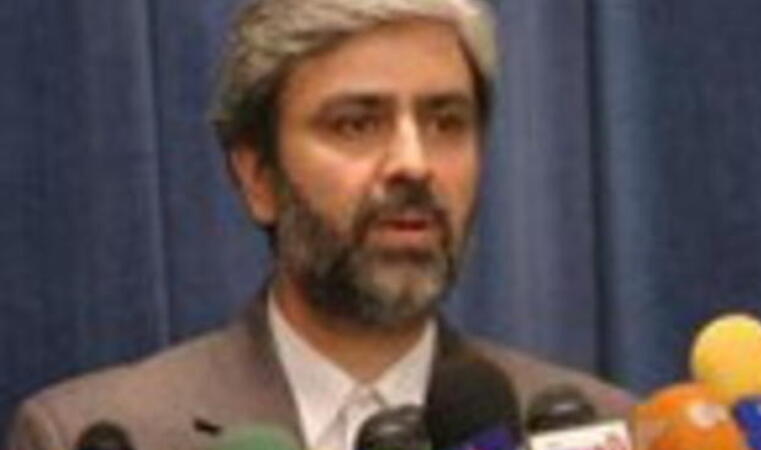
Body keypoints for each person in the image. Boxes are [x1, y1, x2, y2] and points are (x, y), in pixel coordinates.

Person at [6, 1, 634, 449]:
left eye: (446, 122)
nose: (414, 164)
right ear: (259, 177)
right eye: (356, 123)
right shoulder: (98, 434)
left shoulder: (604, 431)